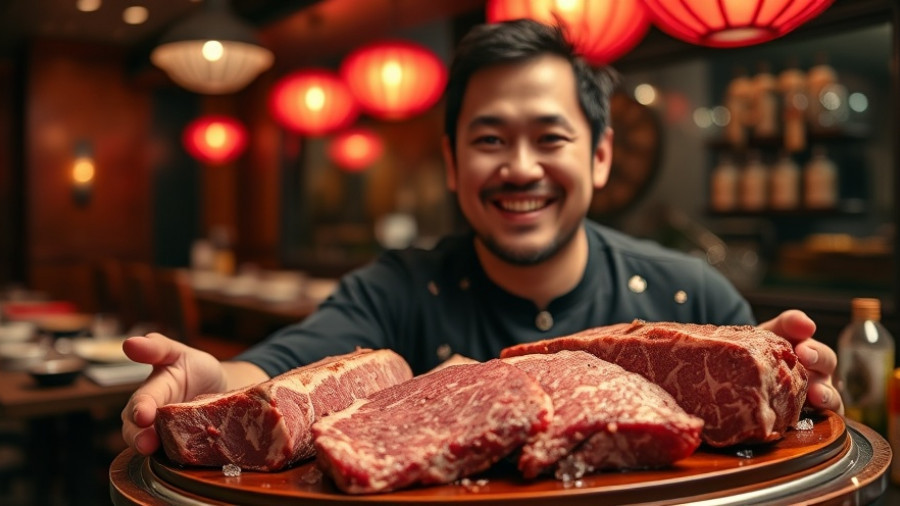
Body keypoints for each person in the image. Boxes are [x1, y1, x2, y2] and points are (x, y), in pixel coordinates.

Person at [122, 19, 841, 457]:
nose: (520, 168)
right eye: (490, 138)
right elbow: (285, 367)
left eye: (550, 137)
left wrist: (791, 385)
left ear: (600, 155)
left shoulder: (692, 292)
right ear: (451, 163)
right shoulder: (398, 290)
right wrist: (219, 388)